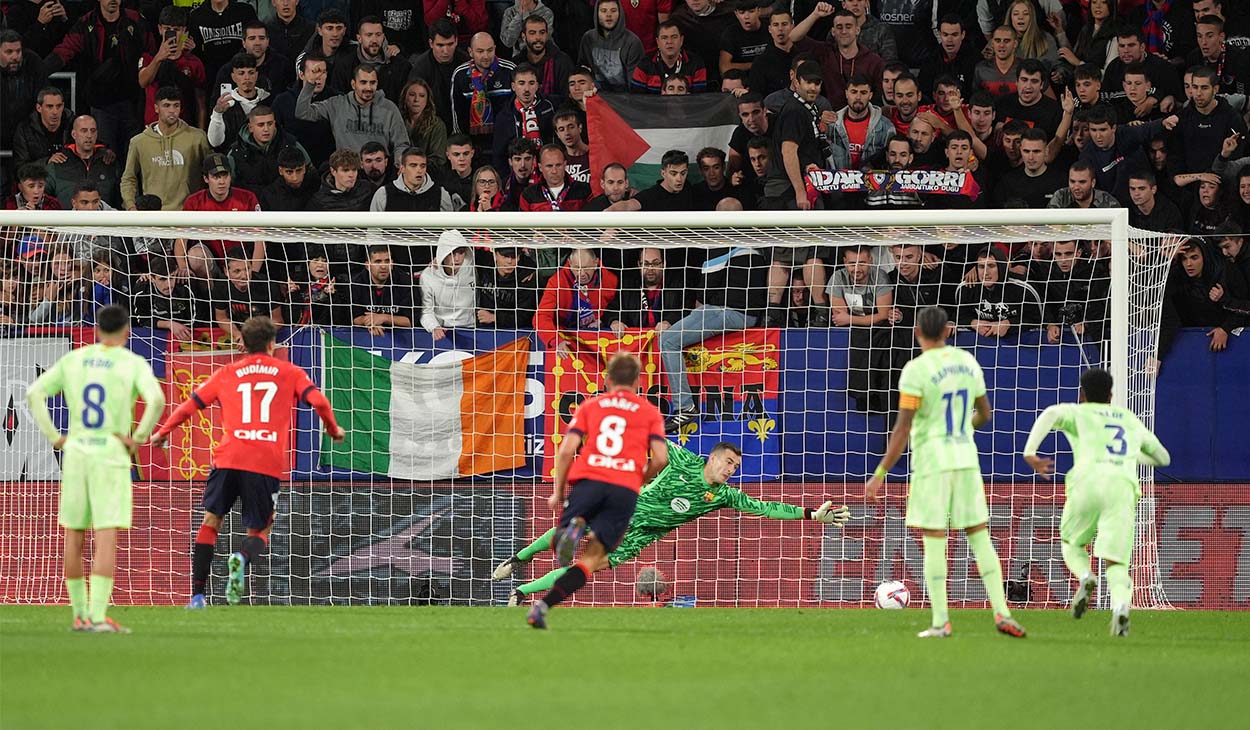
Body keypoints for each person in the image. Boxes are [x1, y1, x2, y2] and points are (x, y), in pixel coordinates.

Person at [498, 439, 849, 606]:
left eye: (735, 467)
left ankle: (521, 592)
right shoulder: (683, 460)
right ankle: (520, 558)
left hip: (641, 535)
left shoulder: (725, 495)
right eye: (727, 463)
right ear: (712, 459)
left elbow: (766, 507)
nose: (730, 470)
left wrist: (810, 514)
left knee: (586, 566)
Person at [152, 316, 344, 609]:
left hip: (228, 456)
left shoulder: (227, 372)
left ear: (243, 343)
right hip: (264, 462)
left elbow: (189, 405)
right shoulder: (289, 371)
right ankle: (240, 559)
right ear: (271, 344)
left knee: (211, 521)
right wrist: (333, 429)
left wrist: (162, 432)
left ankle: (197, 596)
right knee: (260, 531)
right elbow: (318, 401)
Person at [865, 305, 1026, 639]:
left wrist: (881, 472)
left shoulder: (916, 370)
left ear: (918, 333)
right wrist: (964, 429)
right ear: (948, 331)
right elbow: (985, 413)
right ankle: (1002, 612)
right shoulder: (967, 363)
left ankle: (941, 621)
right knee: (980, 537)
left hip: (931, 463)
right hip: (965, 459)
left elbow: (902, 428)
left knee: (935, 541)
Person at [25, 305, 164, 632]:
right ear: (126, 330)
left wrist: (56, 439)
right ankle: (99, 616)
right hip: (110, 453)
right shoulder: (132, 363)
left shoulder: (75, 359)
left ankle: (79, 614)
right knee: (105, 534)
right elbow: (156, 400)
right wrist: (139, 438)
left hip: (76, 452)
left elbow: (33, 393)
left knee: (73, 533)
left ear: (97, 330)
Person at [1023, 368, 1170, 636]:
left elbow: (1051, 414)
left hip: (1087, 482)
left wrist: (1030, 452)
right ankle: (1121, 606)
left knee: (1072, 543)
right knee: (1117, 561)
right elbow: (1163, 458)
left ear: (1082, 394)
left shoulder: (1078, 412)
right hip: (1122, 488)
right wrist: (1131, 458)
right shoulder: (1129, 419)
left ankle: (1084, 576)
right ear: (1111, 395)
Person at [526, 352, 668, 628]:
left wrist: (559, 493)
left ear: (608, 379)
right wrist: (638, 480)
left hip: (590, 480)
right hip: (624, 489)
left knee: (560, 539)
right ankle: (542, 607)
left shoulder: (592, 406)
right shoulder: (650, 412)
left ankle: (574, 526)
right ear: (638, 382)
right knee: (592, 560)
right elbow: (661, 458)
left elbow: (567, 449)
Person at [661, 245, 768, 431]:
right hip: (748, 314)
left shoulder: (721, 248)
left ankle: (684, 407)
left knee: (668, 341)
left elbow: (705, 292)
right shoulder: (755, 247)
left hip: (731, 312)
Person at [121, 87, 213, 211]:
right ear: (156, 108)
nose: (172, 111)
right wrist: (131, 206)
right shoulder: (139, 142)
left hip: (188, 213)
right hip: (153, 214)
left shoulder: (197, 138)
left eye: (176, 106)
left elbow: (211, 173)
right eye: (166, 105)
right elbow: (128, 178)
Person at [534, 248, 620, 355]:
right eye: (577, 268)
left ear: (596, 263)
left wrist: (606, 321)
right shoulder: (557, 281)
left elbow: (614, 310)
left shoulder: (610, 280)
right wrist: (555, 340)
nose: (582, 273)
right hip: (565, 339)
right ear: (570, 264)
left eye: (586, 268)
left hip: (598, 341)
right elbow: (541, 316)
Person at [450, 32, 516, 151]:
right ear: (470, 52)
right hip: (474, 143)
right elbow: (457, 114)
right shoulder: (460, 74)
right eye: (480, 51)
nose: (486, 56)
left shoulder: (509, 70)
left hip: (507, 141)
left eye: (490, 50)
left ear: (495, 49)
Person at [212, 252, 284, 345]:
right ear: (226, 271)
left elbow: (278, 321)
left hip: (263, 334)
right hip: (236, 332)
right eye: (237, 271)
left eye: (247, 269)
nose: (244, 276)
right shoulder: (220, 286)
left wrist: (255, 335)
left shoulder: (267, 285)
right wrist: (237, 334)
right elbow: (221, 317)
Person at [45, 115, 119, 207]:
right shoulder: (58, 163)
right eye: (84, 131)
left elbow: (122, 194)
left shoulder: (109, 162)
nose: (89, 136)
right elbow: (40, 194)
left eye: (92, 131)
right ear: (74, 134)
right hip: (66, 220)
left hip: (104, 220)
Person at [347, 245, 416, 335]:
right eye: (378, 262)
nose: (383, 266)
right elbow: (354, 318)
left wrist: (384, 318)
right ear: (367, 265)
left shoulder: (406, 282)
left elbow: (410, 321)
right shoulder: (356, 283)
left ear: (392, 263)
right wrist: (370, 322)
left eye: (387, 261)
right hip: (366, 335)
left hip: (402, 337)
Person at [420, 229, 476, 340]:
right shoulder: (428, 276)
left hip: (472, 331)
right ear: (443, 254)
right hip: (442, 332)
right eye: (451, 253)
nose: (457, 258)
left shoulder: (472, 269)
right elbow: (425, 311)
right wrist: (434, 327)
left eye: (461, 253)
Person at [579, 0, 645, 91]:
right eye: (603, 11)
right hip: (596, 97)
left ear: (620, 13)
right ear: (596, 14)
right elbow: (582, 72)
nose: (608, 14)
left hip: (625, 99)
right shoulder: (588, 38)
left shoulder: (632, 42)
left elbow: (635, 85)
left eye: (613, 11)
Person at [476, 246, 540, 328]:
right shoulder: (484, 262)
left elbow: (525, 317)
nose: (509, 261)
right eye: (505, 256)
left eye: (514, 257)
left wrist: (494, 318)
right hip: (481, 327)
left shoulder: (526, 279)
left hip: (512, 331)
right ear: (495, 255)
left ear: (519, 258)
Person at [12, 86, 71, 168]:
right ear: (39, 108)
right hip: (38, 177)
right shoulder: (25, 129)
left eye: (59, 106)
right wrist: (47, 162)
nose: (55, 112)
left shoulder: (74, 125)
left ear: (63, 106)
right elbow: (20, 167)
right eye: (50, 107)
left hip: (68, 177)